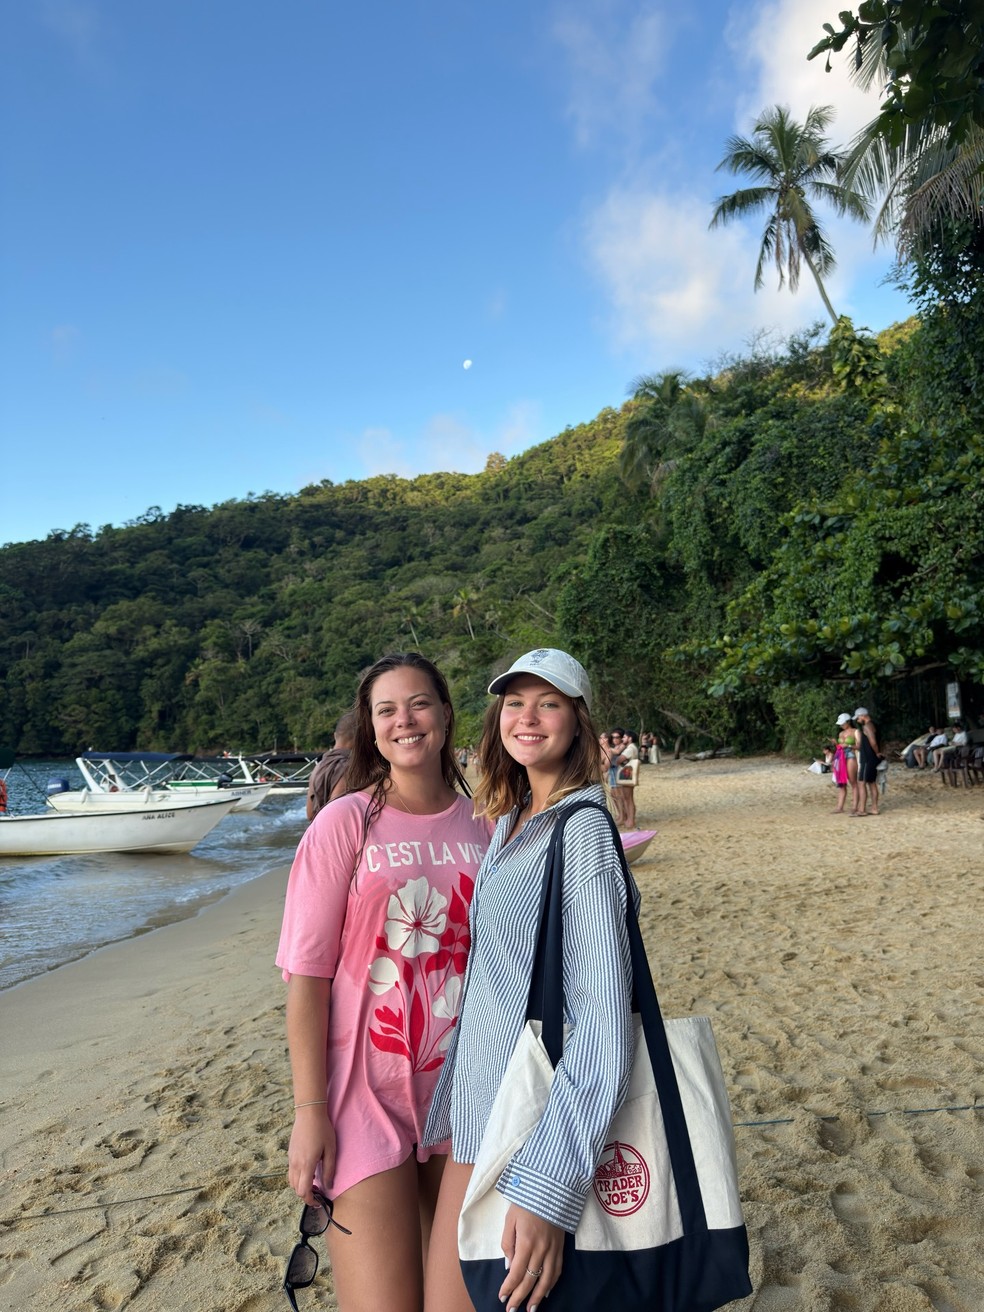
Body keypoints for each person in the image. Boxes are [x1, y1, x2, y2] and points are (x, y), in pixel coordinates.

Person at [277, 652, 493, 1312]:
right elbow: (307, 980)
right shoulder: (344, 824)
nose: (405, 720)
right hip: (365, 1093)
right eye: (387, 709)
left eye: (419, 703)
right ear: (371, 728)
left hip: (470, 1088)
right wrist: (310, 1112)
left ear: (445, 715)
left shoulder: (488, 824)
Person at [422, 648, 634, 1312]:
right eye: (515, 703)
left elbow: (603, 1019)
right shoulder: (513, 823)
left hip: (532, 1126)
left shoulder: (582, 831)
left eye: (549, 703)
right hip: (481, 1112)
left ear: (578, 720)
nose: (528, 717)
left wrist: (548, 1185)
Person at [306, 711, 357, 820]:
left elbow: (310, 814)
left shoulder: (319, 766)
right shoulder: (347, 767)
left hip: (317, 828)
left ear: (335, 735)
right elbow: (335, 814)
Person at [853, 707, 882, 816]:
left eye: (858, 718)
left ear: (863, 715)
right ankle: (874, 808)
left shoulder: (867, 726)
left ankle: (862, 809)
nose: (857, 720)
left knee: (861, 783)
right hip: (872, 758)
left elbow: (873, 742)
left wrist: (877, 752)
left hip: (867, 759)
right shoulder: (874, 725)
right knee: (872, 783)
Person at [828, 713, 858, 814]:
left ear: (848, 722)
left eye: (842, 723)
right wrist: (836, 744)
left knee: (853, 782)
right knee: (841, 783)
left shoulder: (855, 732)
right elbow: (839, 747)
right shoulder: (841, 733)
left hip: (850, 755)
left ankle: (854, 807)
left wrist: (848, 745)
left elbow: (859, 746)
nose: (841, 725)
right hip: (840, 756)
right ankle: (840, 807)